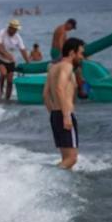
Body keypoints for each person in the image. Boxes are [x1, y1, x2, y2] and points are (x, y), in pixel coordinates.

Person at [43, 37, 84, 169]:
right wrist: (66, 115)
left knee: (66, 158)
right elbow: (59, 88)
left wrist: (54, 113)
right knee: (72, 159)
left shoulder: (53, 68)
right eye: (81, 53)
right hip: (64, 114)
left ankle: (63, 186)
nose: (82, 57)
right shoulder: (67, 66)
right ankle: (48, 177)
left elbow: (45, 94)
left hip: (56, 114)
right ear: (72, 53)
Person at [0, 19, 27, 101]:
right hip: (0, 58)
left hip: (11, 61)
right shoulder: (3, 32)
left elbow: (23, 50)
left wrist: (28, 62)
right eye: (14, 29)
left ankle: (7, 99)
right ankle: (1, 91)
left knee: (10, 81)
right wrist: (6, 54)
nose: (15, 31)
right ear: (10, 28)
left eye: (16, 29)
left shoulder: (18, 37)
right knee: (3, 73)